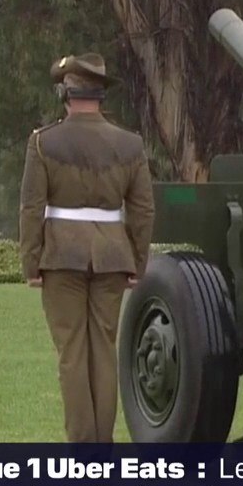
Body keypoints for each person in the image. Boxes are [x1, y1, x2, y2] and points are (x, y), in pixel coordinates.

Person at [19, 53, 156, 444]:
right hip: (113, 256)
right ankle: (103, 444)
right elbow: (143, 209)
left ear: (65, 93)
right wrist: (137, 262)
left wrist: (31, 262)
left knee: (72, 352)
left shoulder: (43, 142)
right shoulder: (130, 144)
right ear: (101, 94)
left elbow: (31, 207)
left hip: (61, 257)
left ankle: (83, 447)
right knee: (103, 350)